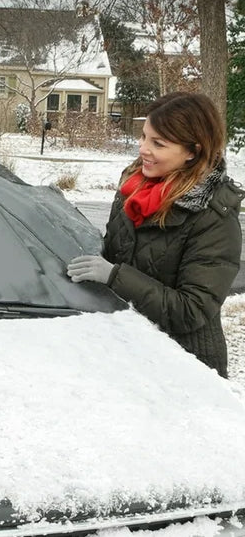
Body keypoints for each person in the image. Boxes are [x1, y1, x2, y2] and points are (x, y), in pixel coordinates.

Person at [67, 92, 244, 377]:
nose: (143, 149)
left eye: (158, 143)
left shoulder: (213, 218)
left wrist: (114, 276)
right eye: (144, 137)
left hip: (184, 370)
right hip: (128, 352)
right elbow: (116, 251)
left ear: (193, 151)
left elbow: (192, 310)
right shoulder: (133, 188)